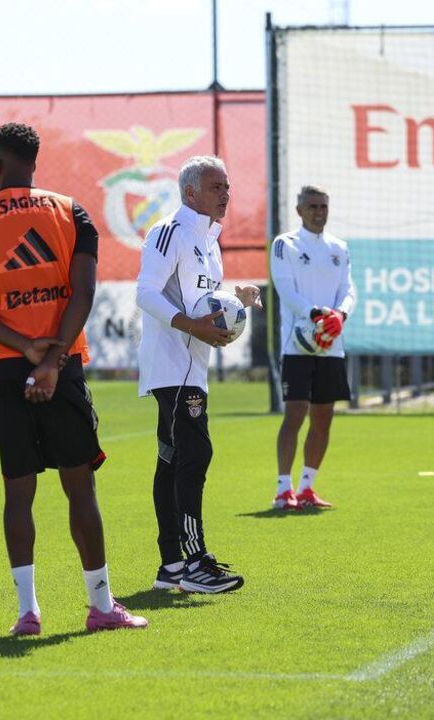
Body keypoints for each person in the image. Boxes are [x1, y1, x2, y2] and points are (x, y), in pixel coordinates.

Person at [0, 123, 147, 634]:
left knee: (19, 491)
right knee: (80, 488)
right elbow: (84, 293)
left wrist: (25, 349)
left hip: (5, 366)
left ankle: (27, 612)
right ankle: (101, 608)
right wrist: (53, 360)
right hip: (63, 364)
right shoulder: (70, 210)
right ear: (33, 163)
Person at [136, 155, 261, 593]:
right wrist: (193, 328)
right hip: (172, 365)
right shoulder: (169, 232)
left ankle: (170, 566)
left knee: (172, 461)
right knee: (195, 455)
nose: (225, 194)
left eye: (226, 186)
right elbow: (146, 293)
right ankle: (193, 562)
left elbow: (200, 297)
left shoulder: (209, 239)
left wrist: (236, 295)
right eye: (215, 187)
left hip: (193, 366)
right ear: (190, 193)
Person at [269, 184, 356, 510]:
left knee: (324, 417)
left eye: (323, 206)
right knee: (294, 414)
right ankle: (282, 488)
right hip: (298, 344)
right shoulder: (285, 244)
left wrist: (340, 315)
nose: (319, 212)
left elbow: (349, 288)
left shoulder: (339, 247)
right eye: (313, 207)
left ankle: (307, 487)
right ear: (300, 210)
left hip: (331, 344)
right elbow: (285, 289)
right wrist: (316, 314)